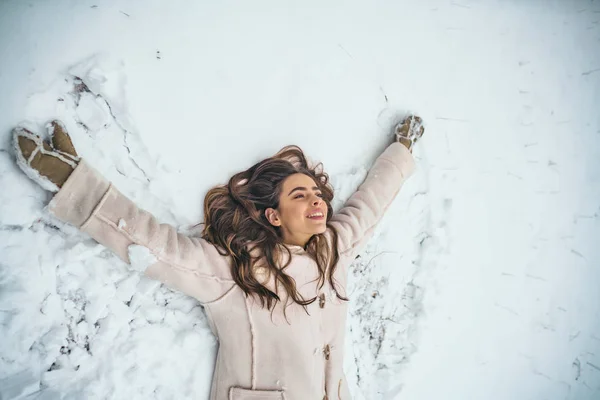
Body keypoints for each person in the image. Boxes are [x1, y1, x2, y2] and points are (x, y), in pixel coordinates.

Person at [12, 115, 424, 400]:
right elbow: (158, 247)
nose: (316, 201)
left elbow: (371, 204)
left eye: (317, 194)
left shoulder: (333, 248)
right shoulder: (241, 270)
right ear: (272, 215)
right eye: (300, 195)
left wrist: (401, 151)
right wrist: (74, 181)